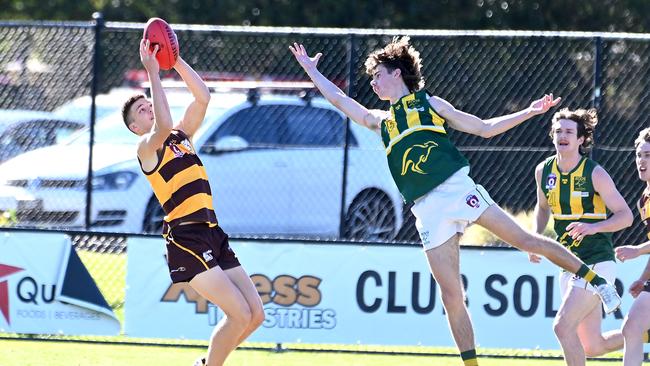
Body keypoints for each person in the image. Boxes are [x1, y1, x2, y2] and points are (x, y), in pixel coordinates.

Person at [289, 37, 621, 366]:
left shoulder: (430, 104)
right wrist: (311, 72)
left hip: (457, 189)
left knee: (525, 240)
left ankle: (597, 282)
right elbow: (338, 99)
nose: (373, 82)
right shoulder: (381, 121)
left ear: (396, 74)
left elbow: (485, 128)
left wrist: (530, 111)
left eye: (378, 74)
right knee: (451, 296)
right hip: (425, 209)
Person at [122, 39, 264, 366]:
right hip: (186, 239)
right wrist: (153, 74)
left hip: (212, 232)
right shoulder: (147, 148)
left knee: (255, 315)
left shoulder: (181, 138)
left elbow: (203, 97)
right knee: (239, 313)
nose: (147, 108)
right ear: (134, 127)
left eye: (148, 103)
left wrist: (176, 59)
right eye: (141, 109)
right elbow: (161, 123)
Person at [527, 108, 632, 366]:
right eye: (558, 131)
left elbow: (625, 216)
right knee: (593, 345)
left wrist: (594, 227)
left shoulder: (594, 173)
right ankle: (643, 333)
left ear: (581, 139)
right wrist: (533, 239)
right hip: (569, 264)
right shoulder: (543, 171)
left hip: (597, 262)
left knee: (562, 327)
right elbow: (542, 209)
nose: (562, 136)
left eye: (569, 132)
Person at [616, 127, 650, 366]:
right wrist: (643, 278)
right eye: (639, 155)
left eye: (648, 155)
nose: (641, 161)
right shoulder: (643, 200)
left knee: (633, 326)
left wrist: (637, 250)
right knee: (632, 327)